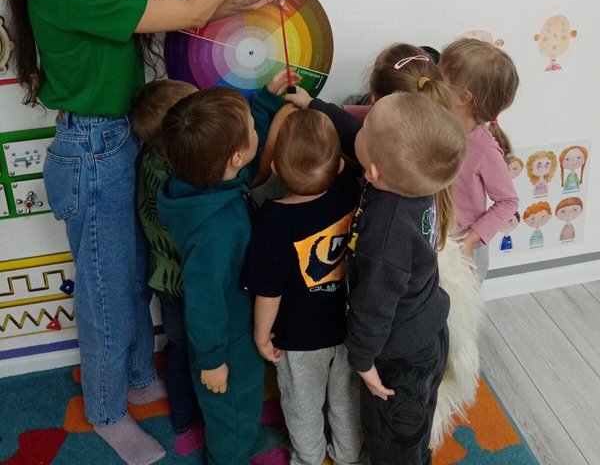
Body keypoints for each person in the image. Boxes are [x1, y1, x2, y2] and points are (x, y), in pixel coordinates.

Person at [0, 0, 288, 465]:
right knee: (107, 295)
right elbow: (186, 15)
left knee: (128, 279)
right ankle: (105, 410)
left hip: (112, 144)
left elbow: (169, 13)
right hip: (93, 153)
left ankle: (134, 377)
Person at [286, 89, 466, 465]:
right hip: (429, 331)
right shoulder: (417, 179)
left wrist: (364, 362)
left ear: (374, 172)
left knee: (391, 440)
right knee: (416, 423)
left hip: (396, 357)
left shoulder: (384, 235)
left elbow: (373, 306)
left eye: (366, 126)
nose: (359, 126)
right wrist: (314, 105)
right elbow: (357, 135)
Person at [157, 69, 299, 465]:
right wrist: (213, 361)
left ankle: (242, 436)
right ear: (235, 157)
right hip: (229, 339)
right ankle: (230, 455)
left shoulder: (201, 177)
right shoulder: (215, 233)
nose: (257, 131)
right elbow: (204, 305)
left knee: (240, 403)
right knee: (233, 406)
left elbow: (245, 162)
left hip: (233, 325)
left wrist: (266, 100)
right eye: (253, 128)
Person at [244, 110, 364, 465]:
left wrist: (261, 337)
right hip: (349, 325)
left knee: (302, 404)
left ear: (275, 168)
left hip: (298, 338)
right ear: (339, 164)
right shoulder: (350, 188)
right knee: (347, 397)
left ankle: (308, 457)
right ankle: (349, 454)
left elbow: (269, 292)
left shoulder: (272, 220)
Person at [130, 79, 204, 458]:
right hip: (186, 279)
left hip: (165, 278)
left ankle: (182, 418)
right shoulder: (180, 176)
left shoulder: (149, 157)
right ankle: (196, 415)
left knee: (178, 346)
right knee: (196, 346)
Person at [440, 38, 520, 280]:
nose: (431, 80)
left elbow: (508, 201)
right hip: (434, 240)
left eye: (440, 76)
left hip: (464, 250)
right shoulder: (436, 124)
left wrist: (471, 240)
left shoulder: (484, 148)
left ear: (463, 97)